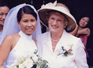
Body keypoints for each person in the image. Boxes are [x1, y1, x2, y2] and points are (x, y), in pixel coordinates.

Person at [38, 1, 88, 68]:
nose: (55, 23)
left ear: (65, 23)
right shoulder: (40, 39)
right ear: (48, 19)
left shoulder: (75, 43)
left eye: (59, 20)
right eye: (52, 18)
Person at [0, 3, 42, 68]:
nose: (29, 24)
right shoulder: (10, 39)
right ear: (18, 23)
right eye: (25, 21)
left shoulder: (37, 44)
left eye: (32, 20)